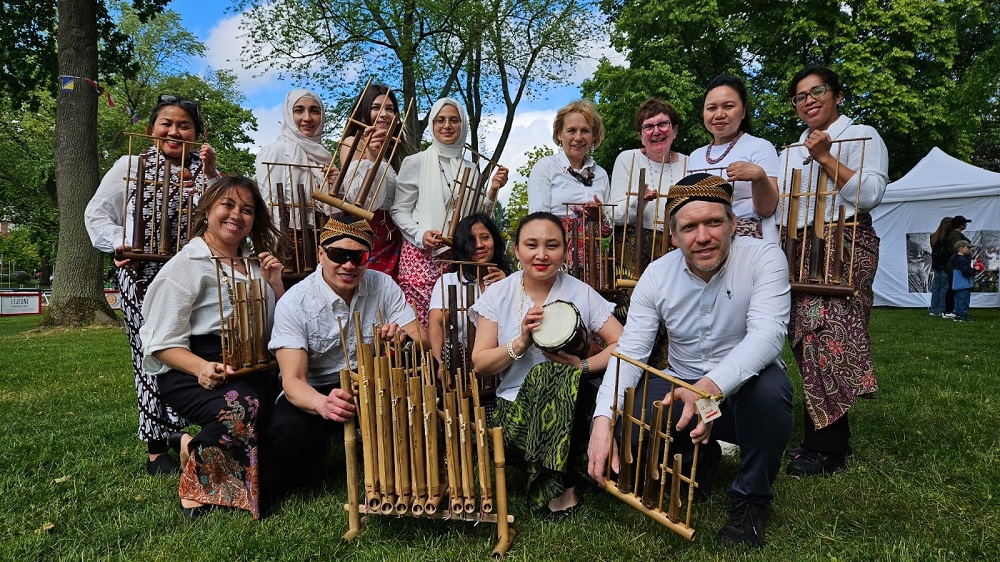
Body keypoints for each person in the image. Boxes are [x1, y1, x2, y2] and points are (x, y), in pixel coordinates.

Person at [587, 173, 792, 547]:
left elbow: (769, 334)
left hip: (742, 390)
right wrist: (603, 420)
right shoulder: (657, 274)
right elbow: (631, 350)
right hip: (678, 387)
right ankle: (701, 456)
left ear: (732, 225)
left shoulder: (764, 257)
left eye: (714, 222)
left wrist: (709, 389)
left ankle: (750, 502)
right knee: (624, 447)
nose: (702, 237)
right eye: (689, 227)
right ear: (673, 235)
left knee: (772, 392)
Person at [85, 95, 220, 476]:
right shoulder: (130, 166)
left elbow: (223, 217)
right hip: (141, 276)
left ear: (198, 133)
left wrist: (210, 174)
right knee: (151, 353)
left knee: (182, 351)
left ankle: (179, 433)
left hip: (190, 280)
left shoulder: (205, 172)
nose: (175, 131)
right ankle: (155, 447)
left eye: (184, 125)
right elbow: (97, 214)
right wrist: (118, 242)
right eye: (166, 123)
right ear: (151, 130)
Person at [139, 176, 285, 520]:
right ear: (207, 210)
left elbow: (277, 322)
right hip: (196, 368)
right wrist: (200, 367)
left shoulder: (255, 264)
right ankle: (197, 488)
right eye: (228, 205)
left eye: (247, 210)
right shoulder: (186, 266)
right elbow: (160, 342)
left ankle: (191, 444)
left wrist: (276, 285)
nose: (237, 215)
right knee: (243, 410)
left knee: (279, 424)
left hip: (253, 365)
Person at [470, 212, 623, 518]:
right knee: (546, 373)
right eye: (531, 245)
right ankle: (555, 485)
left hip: (575, 408)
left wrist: (582, 366)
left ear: (565, 251)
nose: (541, 254)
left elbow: (624, 344)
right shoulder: (499, 294)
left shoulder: (580, 292)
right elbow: (480, 364)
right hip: (515, 414)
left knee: (559, 374)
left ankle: (565, 466)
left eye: (552, 245)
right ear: (516, 250)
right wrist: (522, 341)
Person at [779, 65, 889, 477]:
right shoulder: (789, 150)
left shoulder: (862, 136)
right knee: (805, 339)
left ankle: (828, 448)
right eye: (800, 96)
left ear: (837, 95)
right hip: (800, 246)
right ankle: (823, 439)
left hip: (846, 242)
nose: (808, 100)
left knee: (831, 334)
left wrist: (825, 157)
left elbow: (870, 195)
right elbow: (783, 207)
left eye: (817, 91)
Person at [265, 217, 428, 493]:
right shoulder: (295, 302)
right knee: (289, 445)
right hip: (314, 391)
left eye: (359, 256)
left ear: (368, 257)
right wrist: (322, 404)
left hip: (371, 383)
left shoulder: (384, 286)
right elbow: (292, 381)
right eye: (339, 255)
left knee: (418, 411)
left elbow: (423, 343)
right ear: (321, 253)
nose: (349, 265)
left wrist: (405, 339)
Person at [391, 98, 509, 327]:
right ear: (432, 126)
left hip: (457, 257)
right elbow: (399, 210)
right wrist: (421, 234)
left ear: (462, 125)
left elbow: (473, 217)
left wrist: (492, 189)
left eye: (454, 120)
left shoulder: (470, 167)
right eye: (440, 120)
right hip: (421, 256)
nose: (447, 125)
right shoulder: (416, 162)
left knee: (454, 320)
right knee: (422, 326)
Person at [254, 89, 338, 276]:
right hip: (287, 246)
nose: (307, 118)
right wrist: (276, 247)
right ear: (289, 115)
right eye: (299, 110)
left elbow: (330, 208)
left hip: (321, 241)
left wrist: (333, 184)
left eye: (314, 111)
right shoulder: (275, 152)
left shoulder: (323, 157)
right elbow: (269, 204)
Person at [689, 74, 779, 242]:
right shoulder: (695, 156)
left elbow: (767, 209)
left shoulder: (761, 147)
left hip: (744, 237)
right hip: (701, 239)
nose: (719, 114)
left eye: (728, 106)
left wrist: (759, 177)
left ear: (743, 111)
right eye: (711, 108)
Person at [606, 98, 690, 276]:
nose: (656, 131)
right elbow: (615, 216)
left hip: (677, 248)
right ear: (640, 136)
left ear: (675, 130)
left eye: (663, 124)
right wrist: (639, 201)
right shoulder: (627, 159)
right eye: (648, 126)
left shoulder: (689, 163)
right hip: (631, 250)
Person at [428, 213, 510, 392]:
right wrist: (439, 363)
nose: (479, 245)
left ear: (494, 241)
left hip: (497, 361)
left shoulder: (507, 282)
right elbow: (436, 323)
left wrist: (506, 286)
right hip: (457, 361)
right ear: (461, 245)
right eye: (471, 239)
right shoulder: (448, 280)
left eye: (485, 237)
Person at [528, 100, 610, 271]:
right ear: (559, 134)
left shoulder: (601, 174)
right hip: (556, 257)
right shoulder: (545, 167)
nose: (578, 137)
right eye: (571, 130)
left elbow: (609, 223)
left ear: (593, 136)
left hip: (594, 262)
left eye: (585, 131)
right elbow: (537, 220)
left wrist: (599, 216)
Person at [339, 84, 412, 277]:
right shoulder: (353, 143)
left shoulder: (395, 152)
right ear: (363, 113)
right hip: (368, 232)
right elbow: (356, 197)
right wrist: (371, 156)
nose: (384, 114)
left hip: (395, 236)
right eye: (376, 107)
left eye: (390, 109)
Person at [941, 215, 973, 318]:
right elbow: (957, 250)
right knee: (954, 288)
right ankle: (950, 310)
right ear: (961, 225)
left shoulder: (953, 235)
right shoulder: (956, 236)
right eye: (965, 223)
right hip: (955, 266)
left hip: (954, 265)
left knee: (953, 288)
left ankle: (953, 309)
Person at [928, 216, 954, 316]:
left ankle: (934, 309)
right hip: (945, 265)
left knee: (936, 288)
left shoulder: (934, 237)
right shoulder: (947, 238)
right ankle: (942, 309)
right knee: (944, 288)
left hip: (936, 265)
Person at [950, 240, 980, 322]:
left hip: (957, 284)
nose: (970, 249)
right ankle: (962, 316)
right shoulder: (963, 260)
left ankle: (958, 315)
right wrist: (975, 269)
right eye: (968, 247)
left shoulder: (955, 259)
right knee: (964, 301)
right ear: (961, 249)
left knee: (958, 301)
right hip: (964, 284)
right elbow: (966, 273)